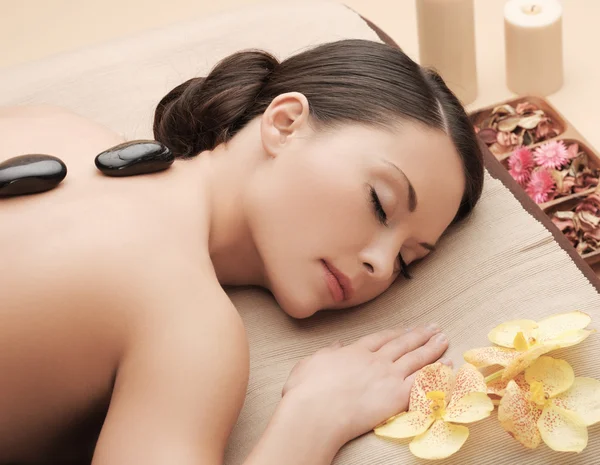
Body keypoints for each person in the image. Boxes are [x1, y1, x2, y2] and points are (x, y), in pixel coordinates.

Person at [0, 39, 484, 464]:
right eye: (380, 204)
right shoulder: (191, 328)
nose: (380, 264)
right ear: (286, 122)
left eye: (406, 262)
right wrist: (315, 419)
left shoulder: (52, 123)